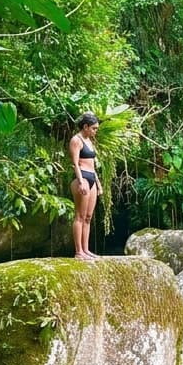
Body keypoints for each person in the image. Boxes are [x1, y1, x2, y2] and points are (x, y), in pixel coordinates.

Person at [69, 112, 102, 262]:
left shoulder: (90, 140)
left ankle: (86, 249)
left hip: (92, 177)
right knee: (80, 216)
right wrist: (81, 181)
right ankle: (78, 251)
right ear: (85, 126)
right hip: (81, 177)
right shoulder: (76, 140)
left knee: (88, 217)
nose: (96, 131)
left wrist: (98, 184)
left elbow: (93, 165)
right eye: (94, 128)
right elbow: (75, 163)